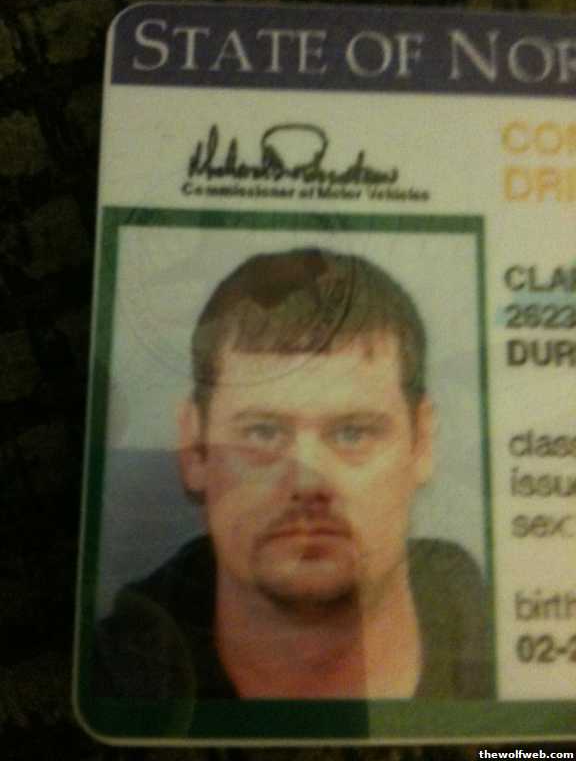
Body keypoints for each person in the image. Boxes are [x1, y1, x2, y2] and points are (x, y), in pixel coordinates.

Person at [95, 247, 491, 701]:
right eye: (263, 433)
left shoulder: (524, 654)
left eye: (353, 432)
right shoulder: (106, 685)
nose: (307, 483)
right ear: (195, 448)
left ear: (422, 444)